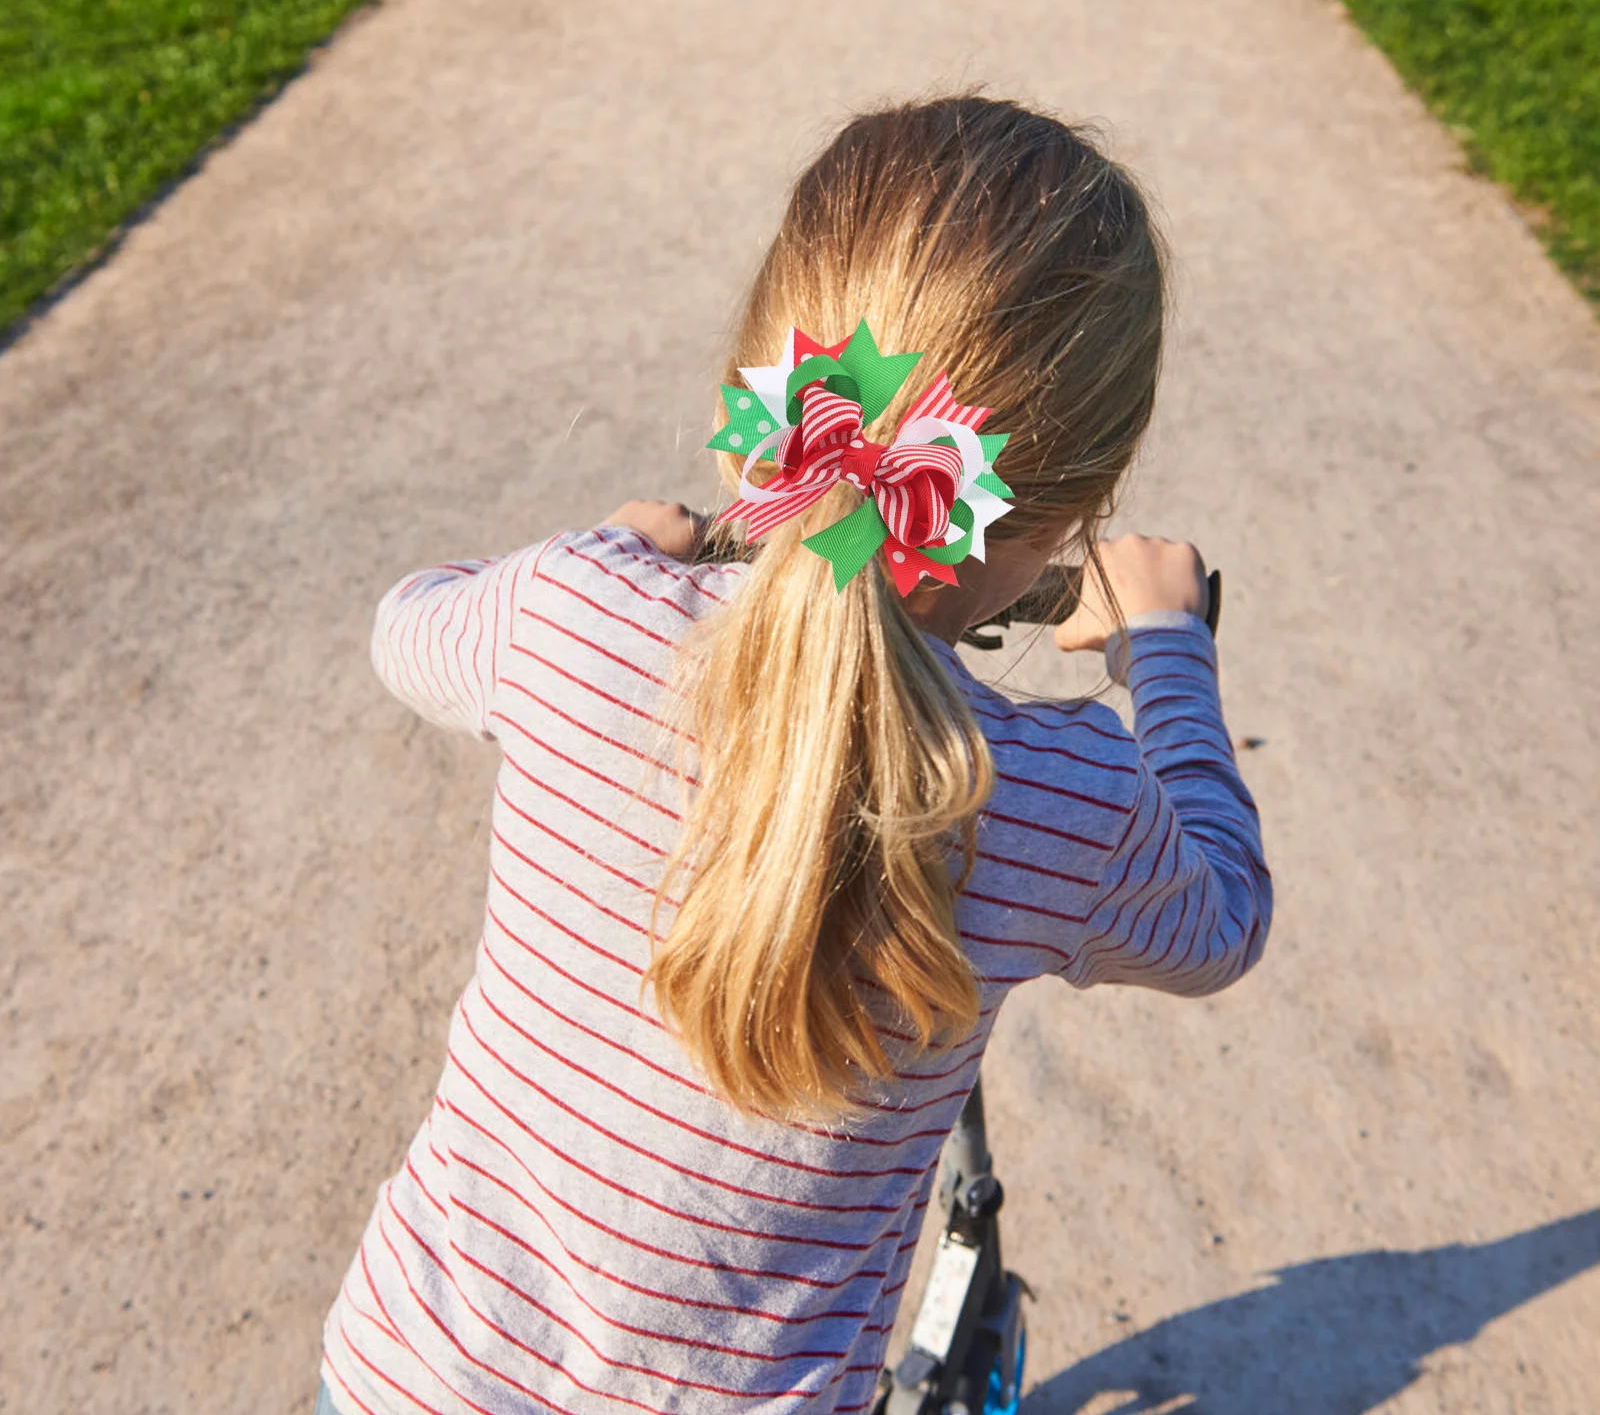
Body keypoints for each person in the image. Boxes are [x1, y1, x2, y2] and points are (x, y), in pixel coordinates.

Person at [316, 96, 1271, 1415]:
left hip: (407, 1375)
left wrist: (604, 550)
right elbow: (1221, 920)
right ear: (1071, 514)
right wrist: (1163, 647)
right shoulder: (1065, 796)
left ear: (769, 386)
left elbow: (403, 628)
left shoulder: (574, 612)